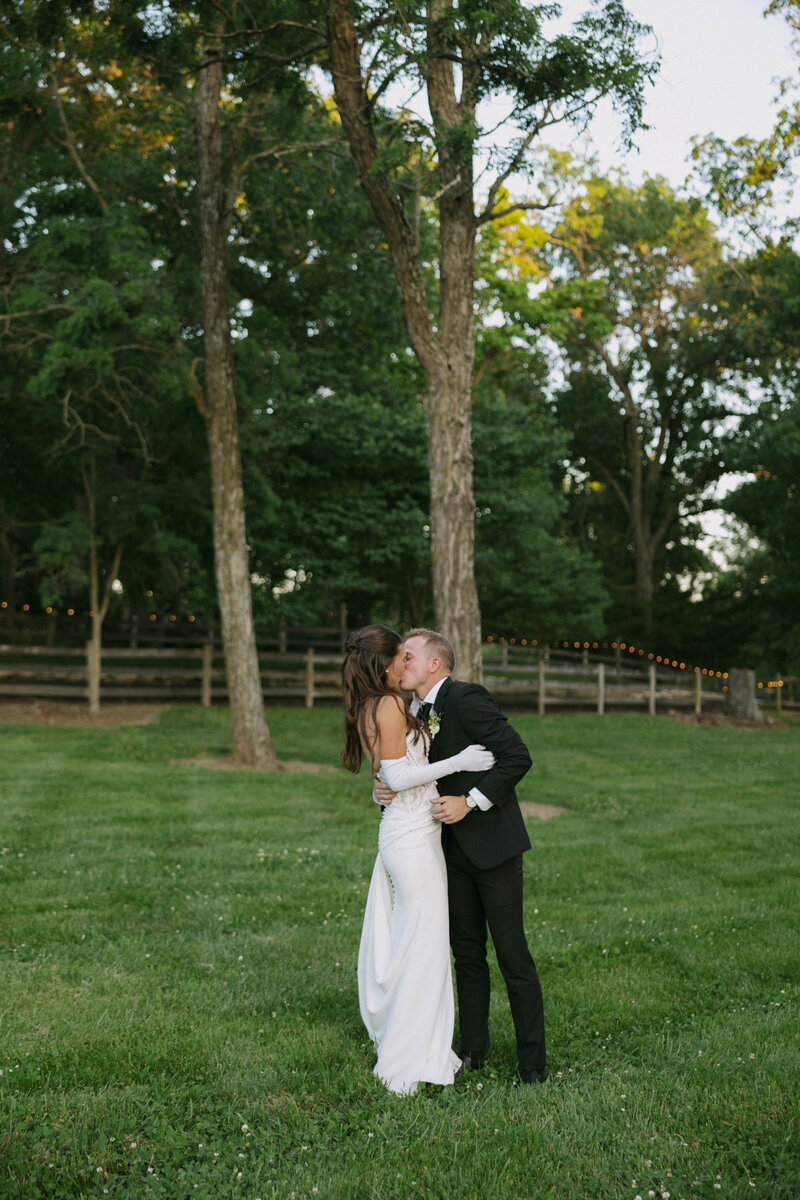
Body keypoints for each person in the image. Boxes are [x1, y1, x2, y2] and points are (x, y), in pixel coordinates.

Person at [377, 627, 547, 1086]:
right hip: (445, 850)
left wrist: (470, 801)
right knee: (466, 955)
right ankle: (473, 1050)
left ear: (435, 664)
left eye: (407, 654)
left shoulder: (468, 698)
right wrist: (386, 791)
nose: (400, 661)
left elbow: (517, 756)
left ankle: (532, 1064)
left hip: (493, 847)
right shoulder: (410, 711)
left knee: (513, 956)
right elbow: (410, 775)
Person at [342, 624, 495, 1095]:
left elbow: (387, 777)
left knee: (420, 943)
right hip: (409, 838)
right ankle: (409, 1056)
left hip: (413, 831)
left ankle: (418, 1040)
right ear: (386, 662)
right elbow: (396, 774)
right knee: (423, 945)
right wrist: (459, 761)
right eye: (401, 656)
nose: (406, 663)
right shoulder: (387, 704)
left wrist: (381, 791)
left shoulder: (380, 703)